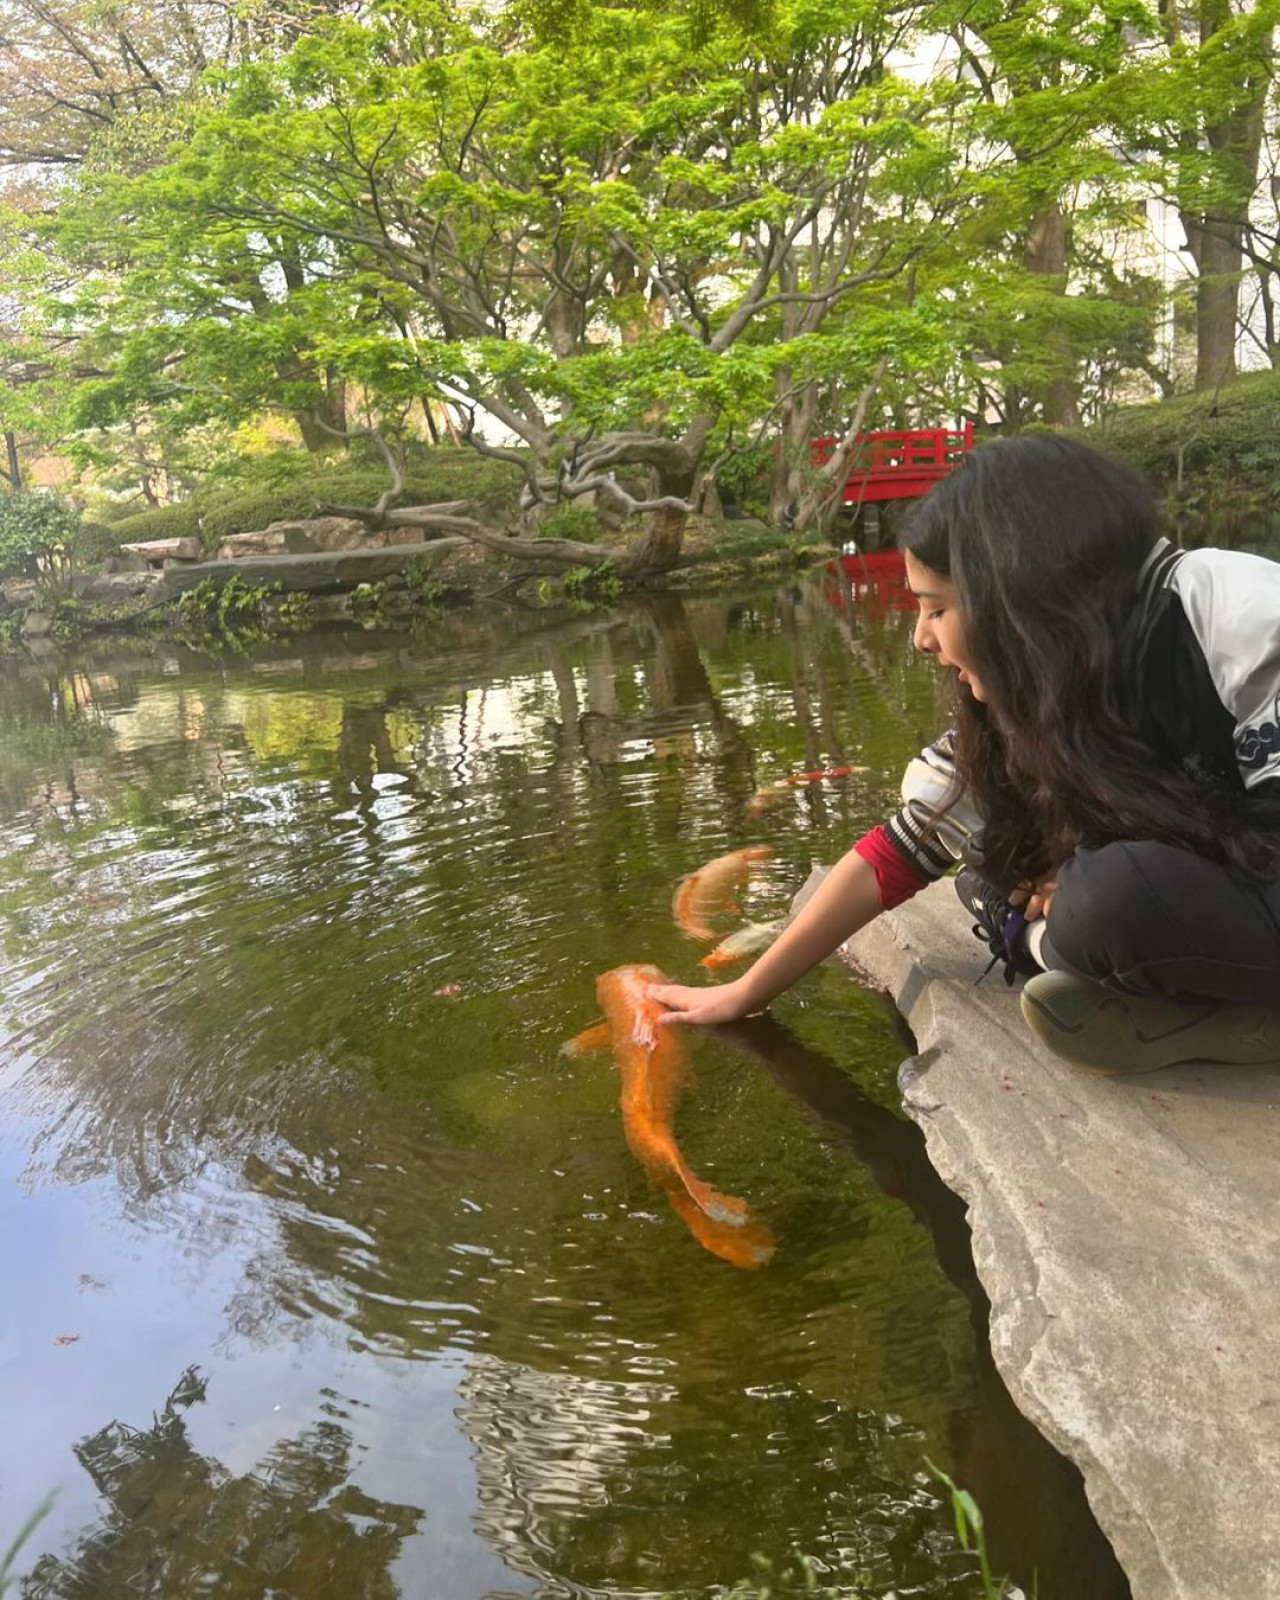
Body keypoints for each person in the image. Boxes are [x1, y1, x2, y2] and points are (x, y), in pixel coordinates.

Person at [652, 434, 1280, 1073]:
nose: (921, 639)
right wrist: (745, 991)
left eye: (937, 609)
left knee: (1104, 895)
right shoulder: (1044, 684)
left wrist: (1081, 869)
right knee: (993, 865)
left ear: (1019, 594)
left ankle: (1090, 960)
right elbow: (896, 853)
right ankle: (1212, 1009)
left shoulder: (1232, 613)